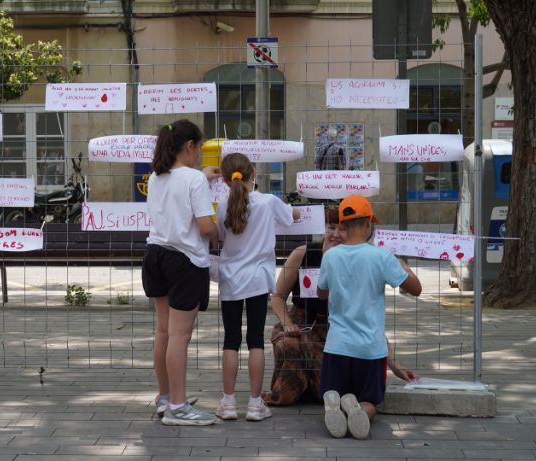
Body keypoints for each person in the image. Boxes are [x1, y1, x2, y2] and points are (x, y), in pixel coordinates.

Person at [265, 208, 418, 406]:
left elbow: (365, 316)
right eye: (331, 228)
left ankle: (322, 393)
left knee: (336, 385)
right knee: (289, 344)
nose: (336, 234)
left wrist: (394, 364)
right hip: (303, 325)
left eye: (342, 229)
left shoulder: (359, 261)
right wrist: (287, 324)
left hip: (336, 331)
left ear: (352, 230)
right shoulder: (303, 253)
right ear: (324, 229)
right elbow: (277, 296)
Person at [317, 195, 422, 439]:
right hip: (370, 349)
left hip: (337, 347)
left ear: (343, 225)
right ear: (367, 225)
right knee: (371, 401)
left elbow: (321, 294)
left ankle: (336, 406)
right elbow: (416, 289)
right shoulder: (381, 257)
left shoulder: (330, 257)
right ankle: (360, 411)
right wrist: (401, 264)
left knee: (337, 391)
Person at [141, 119, 220, 426]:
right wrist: (220, 231)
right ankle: (179, 407)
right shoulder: (194, 181)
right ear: (190, 146)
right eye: (199, 148)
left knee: (163, 332)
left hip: (156, 255)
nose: (201, 153)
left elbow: (178, 189)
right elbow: (204, 227)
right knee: (179, 336)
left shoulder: (157, 176)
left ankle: (165, 397)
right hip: (184, 261)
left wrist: (199, 175)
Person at [214, 153, 299, 421]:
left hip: (230, 279)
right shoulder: (269, 202)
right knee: (255, 342)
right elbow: (292, 216)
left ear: (226, 181)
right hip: (258, 279)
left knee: (230, 340)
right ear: (253, 173)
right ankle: (254, 404)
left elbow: (220, 236)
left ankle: (228, 403)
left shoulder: (222, 206)